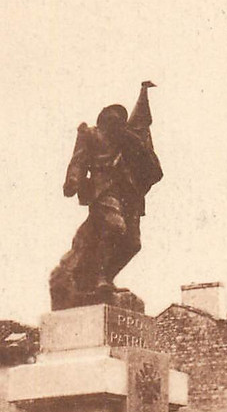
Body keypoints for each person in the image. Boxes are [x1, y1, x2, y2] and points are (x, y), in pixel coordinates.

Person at [50, 82, 162, 309]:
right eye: (113, 117)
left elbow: (145, 161)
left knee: (133, 243)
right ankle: (100, 277)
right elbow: (78, 161)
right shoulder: (91, 134)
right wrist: (72, 181)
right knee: (114, 226)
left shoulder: (126, 140)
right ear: (104, 119)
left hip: (126, 194)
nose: (118, 121)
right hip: (102, 189)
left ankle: (104, 279)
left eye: (121, 118)